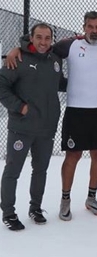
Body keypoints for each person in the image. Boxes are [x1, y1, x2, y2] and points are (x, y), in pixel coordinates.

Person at [6, 11, 97, 221]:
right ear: (84, 27)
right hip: (76, 111)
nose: (94, 31)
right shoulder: (69, 45)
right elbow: (39, 48)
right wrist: (17, 48)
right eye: (90, 27)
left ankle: (91, 198)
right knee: (73, 156)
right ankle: (65, 200)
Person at [0, 23, 66, 231]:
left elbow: (59, 83)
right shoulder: (17, 59)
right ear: (31, 37)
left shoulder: (55, 60)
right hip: (22, 128)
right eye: (39, 37)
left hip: (46, 128)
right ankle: (8, 212)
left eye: (47, 38)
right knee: (13, 170)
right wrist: (20, 107)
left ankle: (35, 208)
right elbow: (1, 86)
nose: (43, 42)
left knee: (41, 170)